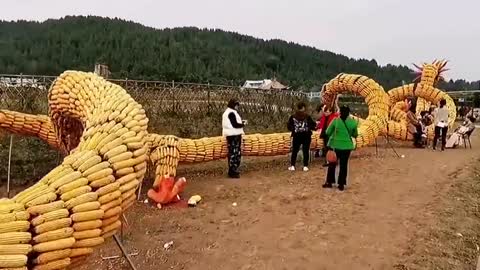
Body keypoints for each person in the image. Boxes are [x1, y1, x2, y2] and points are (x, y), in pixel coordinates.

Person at [322, 105, 358, 191]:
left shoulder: (336, 121)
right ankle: (341, 184)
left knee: (332, 164)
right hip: (347, 147)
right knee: (344, 165)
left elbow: (327, 132)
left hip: (335, 146)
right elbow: (355, 134)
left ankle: (329, 182)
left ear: (340, 112)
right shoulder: (353, 122)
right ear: (349, 113)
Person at [287, 102, 317, 172]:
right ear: (303, 107)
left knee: (295, 151)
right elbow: (313, 125)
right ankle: (305, 166)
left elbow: (289, 126)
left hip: (296, 135)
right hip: (306, 135)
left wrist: (293, 129)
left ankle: (292, 166)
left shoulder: (293, 116)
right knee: (305, 150)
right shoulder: (307, 116)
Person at [222, 99, 245, 178]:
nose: (237, 107)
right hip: (233, 135)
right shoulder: (231, 113)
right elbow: (235, 124)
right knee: (234, 153)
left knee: (233, 152)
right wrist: (243, 124)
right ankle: (233, 171)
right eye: (236, 105)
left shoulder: (229, 112)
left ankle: (233, 170)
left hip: (232, 134)